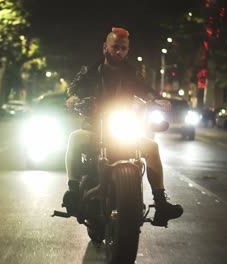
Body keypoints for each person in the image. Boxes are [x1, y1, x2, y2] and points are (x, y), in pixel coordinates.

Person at [62, 27, 183, 226]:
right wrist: (73, 97)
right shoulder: (92, 70)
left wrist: (157, 100)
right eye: (115, 47)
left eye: (123, 48)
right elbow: (75, 88)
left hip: (122, 128)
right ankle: (73, 191)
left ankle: (161, 205)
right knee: (74, 138)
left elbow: (145, 90)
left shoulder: (131, 73)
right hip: (95, 127)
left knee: (152, 147)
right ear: (105, 47)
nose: (119, 51)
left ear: (128, 50)